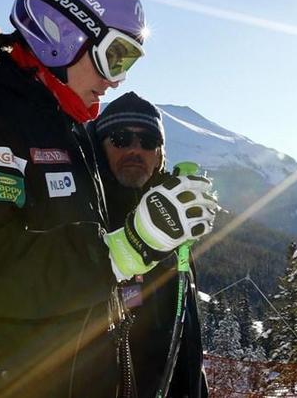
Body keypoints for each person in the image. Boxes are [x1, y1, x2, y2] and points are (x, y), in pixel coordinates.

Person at [0, 0, 217, 397]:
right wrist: (125, 250)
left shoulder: (65, 124)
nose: (116, 81)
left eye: (128, 62)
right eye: (115, 56)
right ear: (61, 31)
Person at [89, 92, 208, 397]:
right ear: (99, 148)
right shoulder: (87, 219)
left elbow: (186, 335)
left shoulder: (174, 221)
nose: (135, 150)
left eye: (148, 142)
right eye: (120, 138)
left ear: (160, 155)